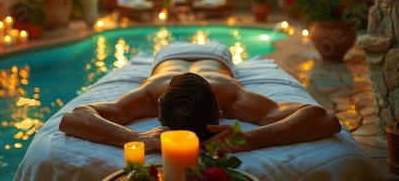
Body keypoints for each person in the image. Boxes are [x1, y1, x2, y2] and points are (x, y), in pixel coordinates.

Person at [59, 41, 341, 153]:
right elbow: (73, 118)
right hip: (167, 54)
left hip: (215, 55)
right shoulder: (151, 93)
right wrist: (135, 138)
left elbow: (326, 119)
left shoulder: (230, 94)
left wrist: (254, 138)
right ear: (221, 113)